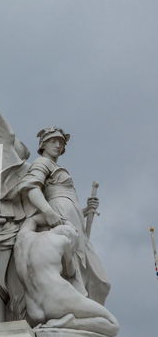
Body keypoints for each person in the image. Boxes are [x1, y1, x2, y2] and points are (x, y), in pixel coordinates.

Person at [16, 128, 109, 304]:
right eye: (54, 141)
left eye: (62, 142)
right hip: (59, 214)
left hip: (73, 218)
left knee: (99, 281)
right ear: (43, 144)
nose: (58, 145)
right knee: (79, 274)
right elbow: (31, 188)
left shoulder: (56, 166)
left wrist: (85, 210)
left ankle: (86, 312)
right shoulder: (42, 162)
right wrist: (48, 211)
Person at [13, 214, 119, 337]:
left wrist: (58, 217)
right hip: (58, 300)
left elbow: (33, 219)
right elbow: (71, 272)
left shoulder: (22, 237)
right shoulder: (63, 241)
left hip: (34, 312)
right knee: (113, 324)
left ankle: (63, 322)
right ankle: (70, 322)